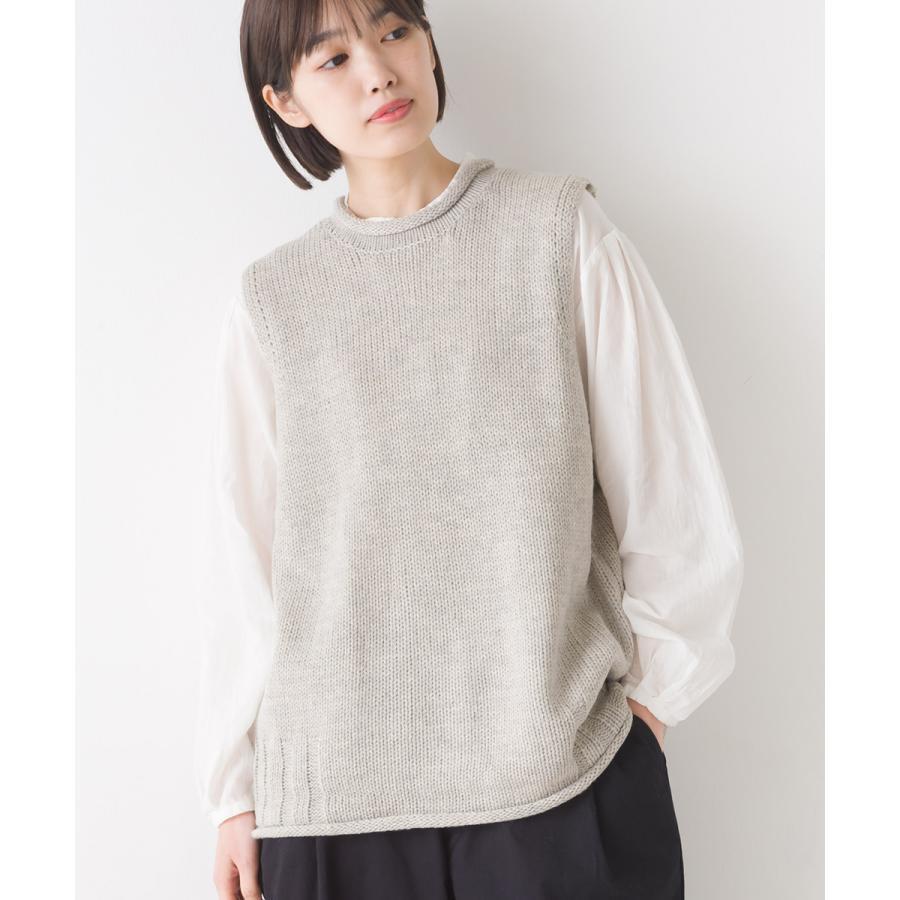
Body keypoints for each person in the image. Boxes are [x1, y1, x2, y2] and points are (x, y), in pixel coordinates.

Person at [192, 1, 745, 897]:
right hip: (333, 809)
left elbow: (675, 507)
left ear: (427, 41)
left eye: (394, 32)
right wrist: (233, 793)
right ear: (285, 101)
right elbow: (242, 564)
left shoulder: (560, 233)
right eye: (332, 59)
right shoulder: (274, 304)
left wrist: (644, 719)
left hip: (559, 785)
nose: (378, 70)